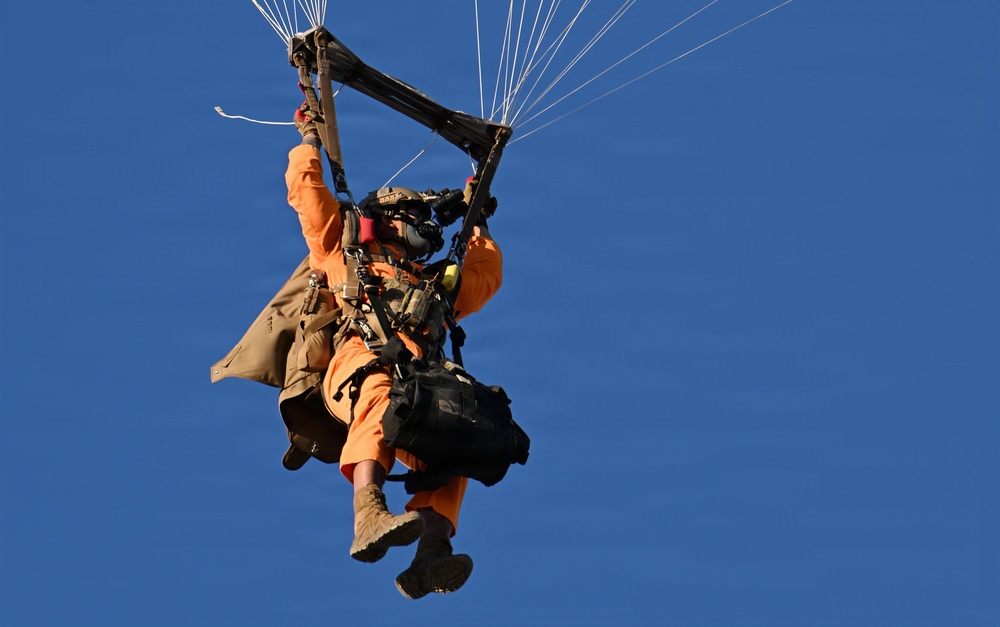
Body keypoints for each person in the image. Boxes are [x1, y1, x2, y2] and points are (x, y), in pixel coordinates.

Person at [287, 102, 503, 598]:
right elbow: (310, 196)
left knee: (458, 434)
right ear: (382, 221)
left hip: (421, 381)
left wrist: (478, 224)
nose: (422, 226)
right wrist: (309, 141)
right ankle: (368, 515)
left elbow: (485, 278)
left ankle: (432, 553)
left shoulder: (431, 283)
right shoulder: (344, 256)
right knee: (384, 394)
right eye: (411, 215)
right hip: (359, 368)